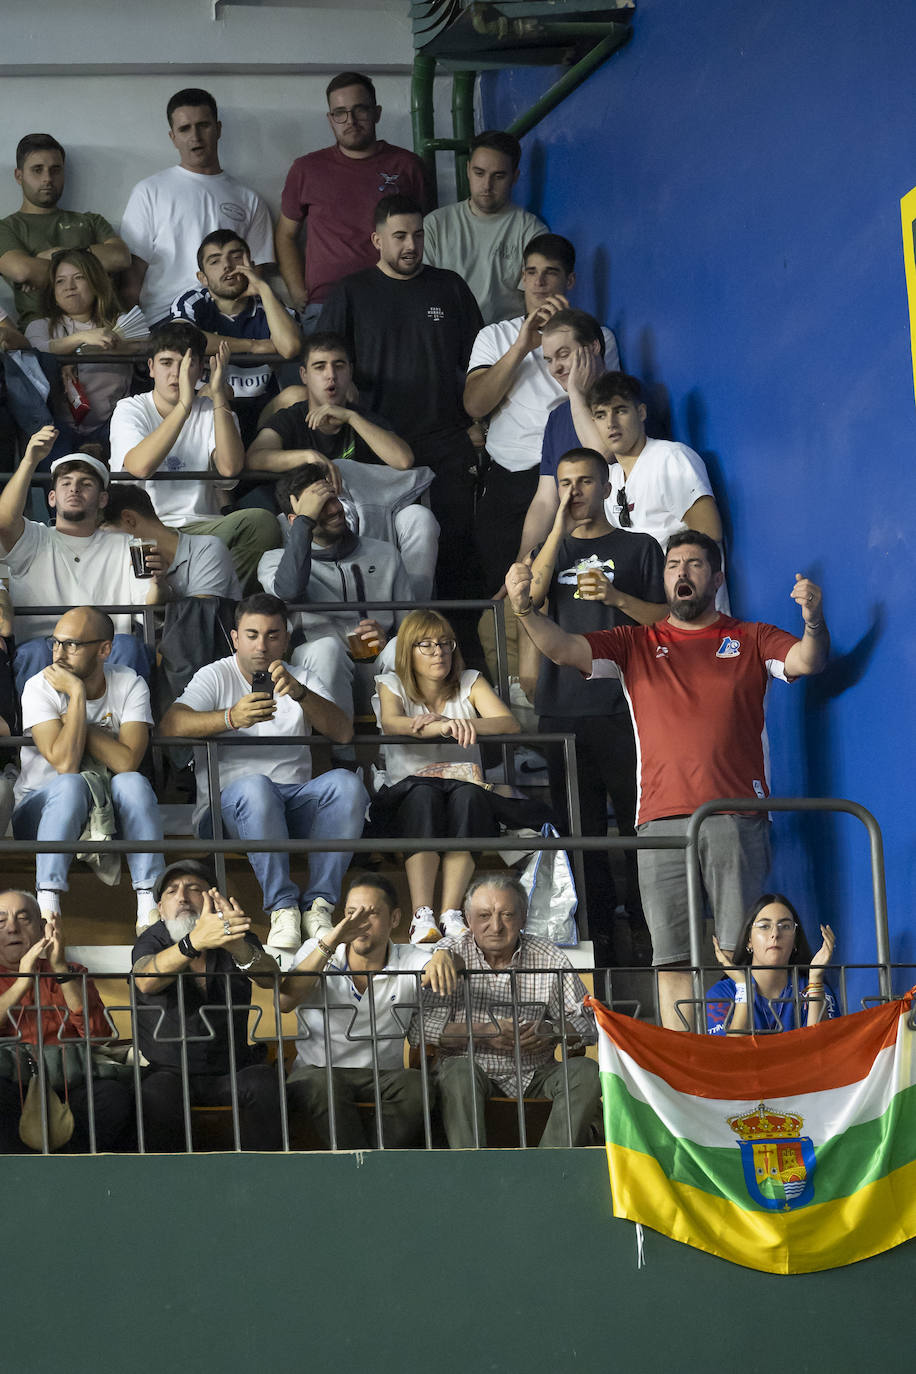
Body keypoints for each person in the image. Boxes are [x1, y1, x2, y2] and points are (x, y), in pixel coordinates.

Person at [505, 530, 831, 1030]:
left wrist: (812, 620)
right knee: (671, 956)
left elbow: (808, 660)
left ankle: (746, 1058)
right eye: (673, 564)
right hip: (658, 819)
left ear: (716, 578)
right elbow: (563, 649)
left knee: (741, 952)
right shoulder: (634, 642)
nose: (682, 572)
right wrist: (525, 610)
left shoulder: (752, 636)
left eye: (695, 564)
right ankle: (684, 1067)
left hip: (735, 816)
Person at [159, 593, 367, 954]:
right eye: (252, 635)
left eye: (272, 635)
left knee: (347, 785)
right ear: (235, 637)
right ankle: (283, 907)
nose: (262, 645)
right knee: (257, 787)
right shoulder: (216, 674)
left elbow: (343, 733)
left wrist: (302, 695)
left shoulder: (299, 676)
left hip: (290, 808)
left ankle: (319, 906)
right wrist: (229, 718)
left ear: (286, 639)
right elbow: (171, 725)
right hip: (226, 814)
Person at [526, 449, 666, 966]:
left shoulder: (639, 547)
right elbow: (532, 598)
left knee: (636, 825)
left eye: (585, 482)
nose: (575, 492)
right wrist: (556, 528)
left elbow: (664, 622)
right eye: (564, 484)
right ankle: (599, 933)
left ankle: (648, 927)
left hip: (625, 708)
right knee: (578, 831)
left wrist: (617, 597)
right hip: (562, 708)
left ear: (607, 487)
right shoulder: (551, 550)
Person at [318, 194, 484, 602]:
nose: (410, 245)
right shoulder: (351, 292)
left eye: (417, 235)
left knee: (455, 541)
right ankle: (394, 639)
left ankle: (452, 638)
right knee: (382, 547)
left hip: (447, 438)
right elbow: (324, 361)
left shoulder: (449, 287)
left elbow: (481, 364)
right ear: (376, 239)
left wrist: (480, 425)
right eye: (399, 236)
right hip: (378, 443)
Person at [371, 608, 544, 945]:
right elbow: (393, 722)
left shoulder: (469, 680)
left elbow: (508, 723)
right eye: (427, 645)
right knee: (424, 795)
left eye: (445, 643)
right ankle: (422, 915)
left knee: (468, 796)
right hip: (408, 795)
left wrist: (461, 725)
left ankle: (450, 913)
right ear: (408, 650)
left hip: (463, 792)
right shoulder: (391, 683)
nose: (439, 652)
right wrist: (439, 726)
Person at [464, 234, 620, 596]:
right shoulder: (495, 336)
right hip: (512, 476)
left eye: (550, 273)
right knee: (506, 584)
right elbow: (474, 405)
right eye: (530, 272)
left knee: (566, 588)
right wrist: (522, 345)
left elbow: (605, 409)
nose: (538, 282)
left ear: (570, 281)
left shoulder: (599, 338)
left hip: (579, 473)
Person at [414, 874, 600, 1148]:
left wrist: (551, 1031)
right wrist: (482, 1033)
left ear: (523, 918)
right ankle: (470, 1170)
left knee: (586, 1070)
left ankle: (552, 1166)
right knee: (457, 1070)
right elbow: (419, 1029)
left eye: (507, 915)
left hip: (536, 1074)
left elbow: (589, 1024)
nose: (496, 926)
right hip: (470, 1075)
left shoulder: (548, 956)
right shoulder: (449, 955)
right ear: (467, 919)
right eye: (484, 915)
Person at [248, 331, 437, 597]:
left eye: (339, 365)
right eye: (319, 367)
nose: (331, 375)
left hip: (372, 525)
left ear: (350, 372)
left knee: (420, 518)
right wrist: (309, 457)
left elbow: (403, 459)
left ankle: (414, 615)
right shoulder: (291, 418)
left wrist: (350, 416)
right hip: (315, 524)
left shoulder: (364, 419)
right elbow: (255, 456)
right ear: (304, 375)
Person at [11, 606, 165, 929]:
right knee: (72, 785)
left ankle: (148, 904)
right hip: (39, 816)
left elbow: (126, 762)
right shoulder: (39, 687)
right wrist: (78, 694)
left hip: (107, 813)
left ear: (104, 649)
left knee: (134, 784)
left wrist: (77, 721)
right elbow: (65, 763)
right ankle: (48, 905)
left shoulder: (129, 683)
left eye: (72, 645)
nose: (59, 653)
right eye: (55, 643)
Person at [280, 872, 458, 1149]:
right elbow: (284, 1002)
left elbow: (445, 963)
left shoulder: (407, 956)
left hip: (383, 1075)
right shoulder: (315, 950)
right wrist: (330, 942)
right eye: (352, 913)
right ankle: (360, 1171)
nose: (360, 922)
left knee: (416, 1085)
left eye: (372, 913)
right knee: (322, 1085)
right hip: (317, 1071)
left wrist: (444, 954)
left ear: (395, 919)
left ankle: (374, 1163)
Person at [108, 321, 280, 591]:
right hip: (147, 528)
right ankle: (202, 599)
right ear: (151, 368)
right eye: (166, 363)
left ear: (200, 369)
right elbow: (140, 467)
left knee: (262, 523)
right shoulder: (130, 408)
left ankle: (210, 597)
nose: (176, 373)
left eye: (186, 364)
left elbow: (230, 468)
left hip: (202, 529)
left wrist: (219, 396)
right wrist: (185, 405)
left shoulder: (213, 409)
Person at [131, 862, 283, 1151]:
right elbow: (145, 980)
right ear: (161, 909)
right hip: (169, 1072)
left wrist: (235, 945)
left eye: (194, 889)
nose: (183, 897)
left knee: (264, 1082)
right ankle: (168, 1185)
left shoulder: (234, 935)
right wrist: (193, 942)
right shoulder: (151, 939)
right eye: (172, 891)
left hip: (231, 1070)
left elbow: (270, 978)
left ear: (212, 901)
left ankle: (264, 1181)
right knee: (154, 1093)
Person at [258, 462, 413, 719]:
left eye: (334, 499)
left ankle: (398, 751)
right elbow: (288, 590)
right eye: (320, 506)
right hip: (318, 673)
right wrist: (304, 525)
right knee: (326, 648)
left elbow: (413, 626)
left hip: (376, 665)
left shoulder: (385, 553)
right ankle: (343, 758)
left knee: (403, 647)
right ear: (295, 520)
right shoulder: (274, 560)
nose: (334, 510)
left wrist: (387, 640)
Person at [0, 428, 150, 691]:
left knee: (128, 645)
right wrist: (29, 461)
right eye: (66, 483)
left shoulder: (127, 544)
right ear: (52, 497)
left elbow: (147, 601)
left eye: (86, 484)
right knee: (32, 653)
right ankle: (35, 731)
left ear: (103, 499)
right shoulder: (35, 537)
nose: (74, 489)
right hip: (45, 645)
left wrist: (159, 583)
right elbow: (4, 522)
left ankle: (131, 728)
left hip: (105, 646)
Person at [276, 71, 427, 326]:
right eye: (340, 113)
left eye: (360, 110)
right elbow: (285, 234)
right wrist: (295, 288)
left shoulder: (407, 165)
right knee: (328, 368)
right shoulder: (306, 169)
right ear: (330, 119)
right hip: (326, 303)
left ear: (377, 112)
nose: (351, 120)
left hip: (394, 296)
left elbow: (426, 233)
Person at [120, 89, 274, 327]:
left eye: (203, 126)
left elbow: (257, 274)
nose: (196, 136)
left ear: (218, 129)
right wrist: (133, 334)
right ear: (173, 137)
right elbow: (132, 276)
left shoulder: (249, 199)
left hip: (231, 320)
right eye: (185, 129)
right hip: (166, 320)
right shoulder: (149, 191)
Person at [0, 891, 133, 1152]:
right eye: (0, 921)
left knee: (111, 1098)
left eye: (23, 919)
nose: (12, 928)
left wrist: (59, 968)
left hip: (71, 1079)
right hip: (12, 1081)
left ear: (42, 929)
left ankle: (70, 1173)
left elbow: (99, 1035)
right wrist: (23, 981)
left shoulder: (72, 972)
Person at [170, 230, 301, 445]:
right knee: (216, 390)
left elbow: (290, 347)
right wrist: (253, 346)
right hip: (205, 412)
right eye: (215, 261)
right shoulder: (193, 301)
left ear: (251, 264)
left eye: (236, 257)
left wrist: (263, 288)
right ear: (202, 277)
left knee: (298, 395)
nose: (227, 266)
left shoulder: (269, 304)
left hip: (262, 414)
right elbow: (181, 340)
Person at [515, 308, 618, 564]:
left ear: (593, 348)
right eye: (549, 359)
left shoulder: (623, 400)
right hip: (569, 549)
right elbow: (545, 501)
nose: (556, 367)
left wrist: (575, 392)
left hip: (618, 545)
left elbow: (602, 456)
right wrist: (522, 563)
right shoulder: (558, 417)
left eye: (564, 354)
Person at [0, 133, 129, 328]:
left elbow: (120, 257)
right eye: (37, 170)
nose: (48, 178)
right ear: (19, 176)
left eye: (55, 170)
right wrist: (92, 267)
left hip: (106, 330)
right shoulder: (6, 228)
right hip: (41, 336)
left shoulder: (90, 221)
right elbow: (22, 271)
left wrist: (54, 256)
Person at [423, 131, 547, 325]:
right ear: (467, 170)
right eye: (479, 173)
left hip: (505, 344)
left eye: (498, 176)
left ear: (515, 177)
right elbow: (419, 295)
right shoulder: (435, 225)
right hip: (446, 337)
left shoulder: (531, 232)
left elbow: (537, 305)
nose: (487, 185)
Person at [25, 248, 143, 447]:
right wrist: (82, 339)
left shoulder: (121, 323)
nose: (69, 287)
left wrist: (116, 345)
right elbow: (36, 348)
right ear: (53, 292)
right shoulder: (40, 326)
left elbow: (146, 345)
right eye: (60, 281)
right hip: (56, 426)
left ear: (96, 283)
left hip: (113, 423)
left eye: (78, 277)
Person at [706, 894, 838, 1033]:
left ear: (795, 941)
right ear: (749, 940)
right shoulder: (721, 994)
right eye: (764, 926)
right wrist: (743, 989)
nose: (775, 933)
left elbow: (820, 1048)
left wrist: (816, 978)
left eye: (785, 926)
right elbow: (732, 1052)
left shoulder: (816, 988)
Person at [99, 482, 241, 604]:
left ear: (129, 519)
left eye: (104, 535)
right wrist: (158, 586)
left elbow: (199, 619)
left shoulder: (206, 548)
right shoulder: (124, 567)